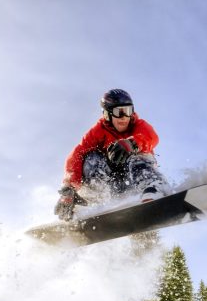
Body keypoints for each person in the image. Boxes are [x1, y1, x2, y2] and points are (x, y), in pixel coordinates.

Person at [54, 89, 169, 221]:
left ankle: (154, 188)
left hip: (135, 178)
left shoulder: (139, 125)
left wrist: (132, 143)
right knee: (91, 158)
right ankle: (95, 204)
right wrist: (69, 188)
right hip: (111, 185)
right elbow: (77, 155)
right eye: (118, 112)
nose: (124, 117)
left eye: (128, 111)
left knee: (137, 154)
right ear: (108, 114)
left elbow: (151, 137)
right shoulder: (97, 132)